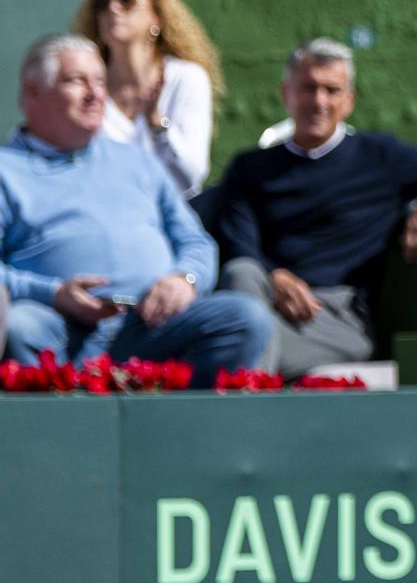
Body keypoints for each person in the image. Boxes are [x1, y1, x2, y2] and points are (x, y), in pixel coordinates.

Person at [211, 39, 417, 377]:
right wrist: (275, 276)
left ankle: (240, 396)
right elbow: (237, 244)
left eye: (331, 90)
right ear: (286, 93)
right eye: (308, 88)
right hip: (265, 301)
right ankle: (243, 383)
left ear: (348, 101)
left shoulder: (380, 157)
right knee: (242, 278)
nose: (319, 101)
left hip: (338, 320)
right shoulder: (250, 168)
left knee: (241, 340)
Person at [0, 34, 270, 385]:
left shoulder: (137, 160)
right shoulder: (7, 169)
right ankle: (60, 436)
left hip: (151, 327)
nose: (95, 94)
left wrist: (184, 280)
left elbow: (197, 243)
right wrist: (53, 293)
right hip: (59, 328)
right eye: (76, 81)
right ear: (33, 91)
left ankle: (181, 432)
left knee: (246, 318)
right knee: (21, 326)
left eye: (99, 81)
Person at [69, 0, 223, 198]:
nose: (113, 9)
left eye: (126, 1)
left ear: (156, 17)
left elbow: (189, 178)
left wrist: (157, 125)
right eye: (102, 3)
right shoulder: (85, 85)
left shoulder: (186, 78)